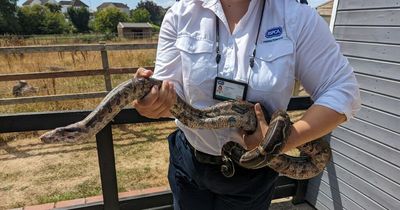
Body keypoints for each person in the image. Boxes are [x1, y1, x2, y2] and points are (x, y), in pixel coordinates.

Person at [133, 0, 361, 209]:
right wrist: (153, 101)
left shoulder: (296, 17)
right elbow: (170, 88)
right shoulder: (181, 14)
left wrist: (282, 141)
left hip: (253, 175)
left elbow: (343, 90)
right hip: (189, 164)